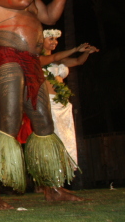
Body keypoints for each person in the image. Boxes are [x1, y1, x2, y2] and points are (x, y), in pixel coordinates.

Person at [0, 0, 80, 210]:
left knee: (44, 125)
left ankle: (53, 188)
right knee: (10, 121)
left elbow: (49, 16)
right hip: (9, 58)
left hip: (32, 62)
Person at [37, 29, 98, 164]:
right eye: (51, 39)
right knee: (54, 136)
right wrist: (76, 48)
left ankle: (64, 170)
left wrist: (87, 52)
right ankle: (51, 170)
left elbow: (78, 61)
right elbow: (53, 58)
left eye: (56, 39)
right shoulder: (38, 59)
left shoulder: (61, 59)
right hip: (49, 104)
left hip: (62, 104)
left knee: (66, 137)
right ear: (41, 41)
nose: (55, 42)